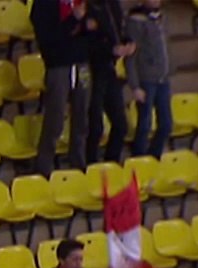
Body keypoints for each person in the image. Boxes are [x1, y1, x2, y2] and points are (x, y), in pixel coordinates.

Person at [31, 0, 92, 176]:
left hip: (82, 64)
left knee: (82, 116)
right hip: (58, 66)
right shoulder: (43, 5)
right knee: (55, 119)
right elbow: (49, 39)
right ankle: (44, 165)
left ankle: (78, 162)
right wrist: (74, 19)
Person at [84, 0, 131, 165]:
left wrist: (127, 42)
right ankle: (90, 167)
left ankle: (112, 165)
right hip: (92, 71)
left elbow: (118, 31)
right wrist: (110, 50)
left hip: (110, 69)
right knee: (95, 128)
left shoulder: (113, 4)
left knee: (120, 125)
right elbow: (84, 43)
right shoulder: (87, 7)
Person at [125, 0, 172, 158]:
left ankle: (153, 157)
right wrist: (135, 86)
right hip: (146, 80)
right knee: (144, 125)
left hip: (162, 79)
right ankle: (138, 157)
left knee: (166, 124)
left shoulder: (160, 18)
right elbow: (130, 57)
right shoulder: (136, 21)